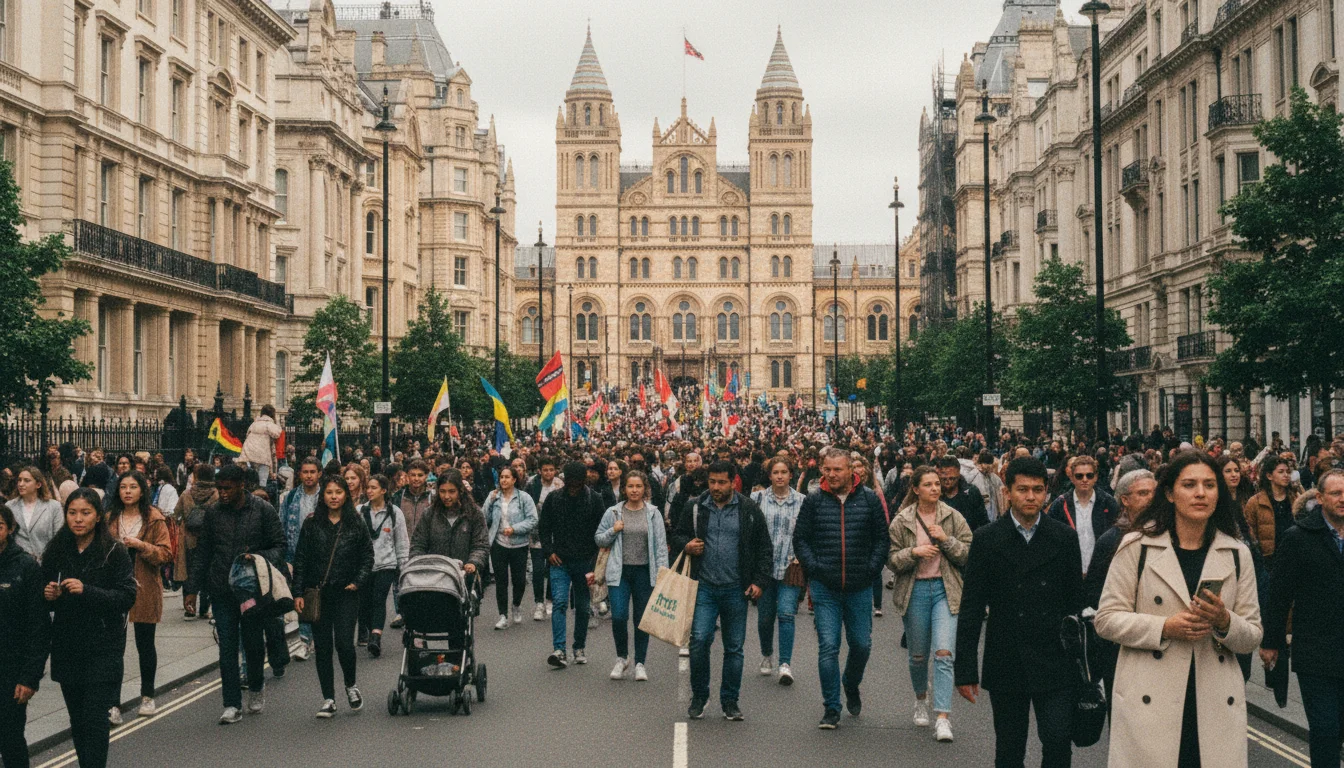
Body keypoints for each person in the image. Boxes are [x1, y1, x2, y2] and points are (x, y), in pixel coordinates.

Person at [1095, 450, 1263, 768]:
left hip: (1214, 703)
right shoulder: (1137, 546)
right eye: (1189, 484)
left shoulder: (1237, 553)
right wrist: (1165, 627)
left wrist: (1224, 621)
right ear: (1170, 493)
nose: (1200, 493)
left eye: (1209, 485)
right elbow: (1106, 619)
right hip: (1150, 702)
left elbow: (1252, 635)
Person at [954, 457, 1083, 768]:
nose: (1030, 497)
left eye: (1037, 490)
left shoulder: (1064, 538)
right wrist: (965, 669)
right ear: (1007, 492)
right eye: (1022, 489)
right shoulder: (987, 539)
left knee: (1057, 741)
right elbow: (972, 606)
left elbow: (1076, 605)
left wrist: (1083, 663)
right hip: (1007, 657)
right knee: (1010, 749)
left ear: (1046, 493)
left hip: (1055, 658)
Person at [793, 447, 891, 729]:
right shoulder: (814, 501)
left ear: (851, 470)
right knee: (828, 646)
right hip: (825, 587)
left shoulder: (869, 499)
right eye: (828, 469)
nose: (832, 474)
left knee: (861, 645)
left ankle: (850, 682)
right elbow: (801, 539)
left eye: (838, 469)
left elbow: (881, 539)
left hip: (859, 586)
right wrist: (815, 568)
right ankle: (831, 708)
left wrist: (871, 569)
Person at [41, 488, 137, 768]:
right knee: (78, 721)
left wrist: (87, 590)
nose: (78, 519)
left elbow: (126, 596)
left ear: (97, 517)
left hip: (102, 648)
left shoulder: (114, 551)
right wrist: (47, 594)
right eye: (72, 513)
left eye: (85, 513)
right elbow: (41, 592)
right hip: (67, 646)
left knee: (95, 720)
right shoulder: (57, 550)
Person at [185, 464, 286, 724]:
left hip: (251, 591)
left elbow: (279, 545)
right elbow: (203, 552)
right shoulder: (213, 513)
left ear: (241, 485)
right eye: (219, 488)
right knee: (227, 648)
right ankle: (231, 703)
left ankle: (256, 686)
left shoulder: (263, 510)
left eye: (227, 488)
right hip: (221, 589)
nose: (222, 493)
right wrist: (192, 589)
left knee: (253, 644)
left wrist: (257, 556)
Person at [672, 459, 771, 721]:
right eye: (712, 482)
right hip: (704, 587)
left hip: (736, 589)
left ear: (733, 482)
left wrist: (759, 581)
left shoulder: (748, 509)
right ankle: (699, 696)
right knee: (699, 641)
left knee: (734, 648)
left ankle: (730, 701)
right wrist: (686, 545)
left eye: (722, 482)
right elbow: (678, 535)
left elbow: (764, 547)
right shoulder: (695, 507)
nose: (716, 487)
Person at [1260, 468, 1344, 768]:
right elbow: (1279, 595)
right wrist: (1271, 642)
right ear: (1319, 498)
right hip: (1316, 652)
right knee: (1325, 730)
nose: (1343, 499)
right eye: (1336, 493)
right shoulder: (1298, 537)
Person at [887, 465, 974, 742]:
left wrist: (946, 540)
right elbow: (891, 560)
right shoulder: (902, 520)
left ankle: (943, 717)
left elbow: (968, 553)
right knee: (918, 656)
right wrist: (914, 552)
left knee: (944, 653)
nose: (935, 488)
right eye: (928, 484)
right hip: (915, 591)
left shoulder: (952, 516)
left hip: (945, 590)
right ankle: (921, 699)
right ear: (916, 489)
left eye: (937, 483)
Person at [294, 474, 374, 718]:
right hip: (318, 593)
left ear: (346, 495)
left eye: (338, 492)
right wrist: (298, 592)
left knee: (344, 644)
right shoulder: (311, 523)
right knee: (323, 647)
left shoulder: (356, 522)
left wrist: (357, 582)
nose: (334, 497)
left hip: (346, 593)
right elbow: (301, 559)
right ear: (323, 496)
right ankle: (328, 698)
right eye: (329, 492)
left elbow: (367, 556)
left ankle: (350, 685)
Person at [105, 470, 173, 720]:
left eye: (133, 487)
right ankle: (113, 704)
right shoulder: (110, 517)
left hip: (145, 586)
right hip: (115, 588)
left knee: (145, 644)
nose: (127, 491)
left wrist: (140, 545)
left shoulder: (154, 518)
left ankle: (147, 696)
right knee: (115, 648)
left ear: (142, 490)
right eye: (123, 487)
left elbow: (166, 554)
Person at [595, 470, 668, 681]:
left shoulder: (653, 513)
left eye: (638, 486)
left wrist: (663, 574)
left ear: (645, 489)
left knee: (641, 619)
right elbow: (599, 538)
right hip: (619, 572)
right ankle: (622, 657)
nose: (634, 490)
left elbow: (661, 546)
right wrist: (613, 530)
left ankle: (640, 663)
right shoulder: (613, 512)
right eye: (630, 486)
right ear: (624, 489)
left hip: (644, 572)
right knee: (619, 616)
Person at [538, 462, 606, 669]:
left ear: (584, 481)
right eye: (571, 483)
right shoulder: (554, 499)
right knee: (559, 602)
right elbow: (544, 527)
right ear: (565, 481)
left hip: (585, 562)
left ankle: (579, 647)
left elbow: (601, 531)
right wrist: (549, 552)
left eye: (578, 483)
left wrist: (595, 562)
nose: (574, 487)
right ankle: (559, 650)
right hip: (560, 561)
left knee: (583, 607)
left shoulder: (595, 499)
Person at [0, 504, 49, 768]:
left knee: (10, 739)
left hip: (10, 671)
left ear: (10, 529)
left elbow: (38, 626)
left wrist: (30, 677)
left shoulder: (26, 566)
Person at [750, 457, 805, 685]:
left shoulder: (802, 501)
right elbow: (750, 531)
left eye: (784, 472)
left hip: (791, 567)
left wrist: (802, 555)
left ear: (791, 474)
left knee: (786, 614)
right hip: (764, 569)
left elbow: (807, 532)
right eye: (776, 472)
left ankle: (785, 664)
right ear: (770, 475)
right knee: (765, 618)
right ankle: (766, 654)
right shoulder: (757, 498)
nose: (780, 476)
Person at [357, 474, 407, 658]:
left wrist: (403, 566)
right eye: (368, 488)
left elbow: (401, 542)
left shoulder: (395, 513)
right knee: (364, 603)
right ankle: (372, 630)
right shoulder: (359, 511)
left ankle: (375, 637)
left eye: (374, 488)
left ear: (384, 491)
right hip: (363, 565)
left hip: (386, 564)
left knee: (379, 599)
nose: (369, 491)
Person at [1046, 455, 1121, 577]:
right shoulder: (1059, 505)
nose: (1085, 479)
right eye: (1079, 476)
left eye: (1089, 475)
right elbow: (1050, 539)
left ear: (1095, 477)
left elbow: (1117, 538)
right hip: (1069, 573)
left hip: (1101, 573)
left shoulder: (1108, 503)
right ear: (1072, 477)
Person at [482, 466, 538, 630]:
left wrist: (515, 528)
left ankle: (516, 605)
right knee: (501, 581)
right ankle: (503, 615)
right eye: (501, 477)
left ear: (514, 479)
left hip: (519, 544)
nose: (504, 480)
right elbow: (484, 518)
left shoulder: (523, 498)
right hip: (498, 543)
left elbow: (532, 519)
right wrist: (490, 501)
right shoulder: (494, 496)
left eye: (507, 477)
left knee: (519, 580)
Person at [280, 457, 322, 659]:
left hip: (321, 555)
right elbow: (282, 525)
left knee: (318, 597)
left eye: (312, 472)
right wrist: (284, 556)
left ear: (319, 474)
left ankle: (314, 635)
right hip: (296, 554)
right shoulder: (290, 497)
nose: (309, 476)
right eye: (305, 472)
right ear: (300, 474)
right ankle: (304, 638)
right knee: (301, 595)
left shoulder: (327, 496)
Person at [408, 470, 489, 572]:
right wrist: (418, 563)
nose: (446, 496)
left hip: (465, 574)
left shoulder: (474, 514)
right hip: (434, 574)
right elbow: (418, 544)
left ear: (460, 491)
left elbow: (481, 545)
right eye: (442, 491)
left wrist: (473, 562)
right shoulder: (429, 514)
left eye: (451, 491)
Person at [523, 456, 564, 621]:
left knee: (553, 567)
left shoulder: (560, 485)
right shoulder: (532, 484)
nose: (548, 473)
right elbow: (526, 504)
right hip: (536, 533)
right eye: (545, 470)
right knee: (538, 569)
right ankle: (539, 602)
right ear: (540, 470)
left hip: (555, 533)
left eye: (551, 470)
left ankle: (550, 600)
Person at [175, 464, 217, 619]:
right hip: (210, 540)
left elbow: (176, 514)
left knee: (189, 572)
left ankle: (189, 608)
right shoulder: (217, 495)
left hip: (189, 540)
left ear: (197, 477)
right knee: (207, 573)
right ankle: (204, 608)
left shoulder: (186, 494)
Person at [1242, 455, 1297, 569]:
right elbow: (1250, 532)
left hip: (1293, 555)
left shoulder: (1295, 499)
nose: (1286, 475)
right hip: (1269, 560)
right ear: (1269, 476)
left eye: (1288, 472)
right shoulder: (1255, 502)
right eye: (1281, 472)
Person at [6, 466, 63, 561]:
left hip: (45, 562)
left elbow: (59, 539)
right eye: (19, 480)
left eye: (26, 480)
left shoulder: (54, 507)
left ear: (38, 484)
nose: (21, 484)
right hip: (18, 562)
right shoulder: (10, 506)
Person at [936, 457, 990, 531]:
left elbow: (983, 522)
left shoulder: (971, 493)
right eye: (944, 479)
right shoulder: (935, 495)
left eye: (952, 478)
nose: (948, 482)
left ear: (958, 474)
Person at [239, 405, 282, 488]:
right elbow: (277, 433)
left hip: (248, 453)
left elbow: (247, 434)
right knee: (262, 480)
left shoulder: (254, 423)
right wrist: (277, 422)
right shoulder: (269, 424)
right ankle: (262, 489)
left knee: (251, 479)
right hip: (262, 455)